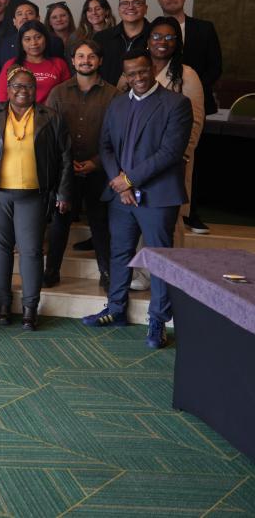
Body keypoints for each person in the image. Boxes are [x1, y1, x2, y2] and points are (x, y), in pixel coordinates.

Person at [81, 51, 192, 349]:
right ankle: (116, 308)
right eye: (131, 74)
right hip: (122, 197)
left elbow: (170, 152)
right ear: (125, 76)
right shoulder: (117, 103)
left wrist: (129, 180)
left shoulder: (176, 104)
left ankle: (158, 320)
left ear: (152, 68)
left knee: (159, 259)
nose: (138, 78)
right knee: (120, 253)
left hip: (158, 196)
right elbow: (105, 146)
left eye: (142, 71)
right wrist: (121, 184)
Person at [0, 67, 72, 330]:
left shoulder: (51, 117)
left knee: (31, 251)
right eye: (17, 86)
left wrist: (62, 192)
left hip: (33, 196)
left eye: (28, 86)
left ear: (36, 90)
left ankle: (29, 309)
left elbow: (65, 158)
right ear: (8, 89)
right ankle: (2, 306)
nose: (22, 90)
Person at [45, 40, 118, 289]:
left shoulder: (114, 95)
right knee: (59, 223)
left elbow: (118, 136)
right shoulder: (58, 93)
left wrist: (95, 163)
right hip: (65, 170)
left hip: (100, 169)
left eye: (91, 56)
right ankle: (51, 271)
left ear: (100, 61)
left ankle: (107, 273)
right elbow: (49, 133)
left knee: (100, 222)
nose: (86, 60)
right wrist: (65, 163)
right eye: (80, 56)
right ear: (73, 61)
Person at [155, 0, 222, 235]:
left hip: (189, 99)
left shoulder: (203, 28)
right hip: (155, 125)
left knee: (190, 165)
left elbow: (215, 66)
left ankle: (191, 214)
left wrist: (188, 86)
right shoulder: (153, 29)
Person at [140, 16, 205, 245]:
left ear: (177, 42)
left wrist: (181, 157)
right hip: (137, 160)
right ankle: (140, 265)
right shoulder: (136, 69)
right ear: (148, 40)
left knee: (168, 222)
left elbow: (195, 122)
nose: (162, 42)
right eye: (157, 36)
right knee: (138, 215)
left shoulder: (187, 75)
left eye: (169, 37)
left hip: (172, 161)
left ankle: (168, 267)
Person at [0, 20, 71, 104]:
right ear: (21, 43)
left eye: (38, 37)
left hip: (51, 111)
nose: (34, 43)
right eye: (27, 39)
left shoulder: (59, 64)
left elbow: (67, 96)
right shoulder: (10, 65)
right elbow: (2, 98)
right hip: (19, 112)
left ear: (46, 39)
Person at [94, 0, 151, 86]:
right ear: (119, 9)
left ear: (146, 8)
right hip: (108, 95)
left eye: (137, 3)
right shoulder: (101, 38)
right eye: (125, 3)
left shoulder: (155, 38)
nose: (130, 7)